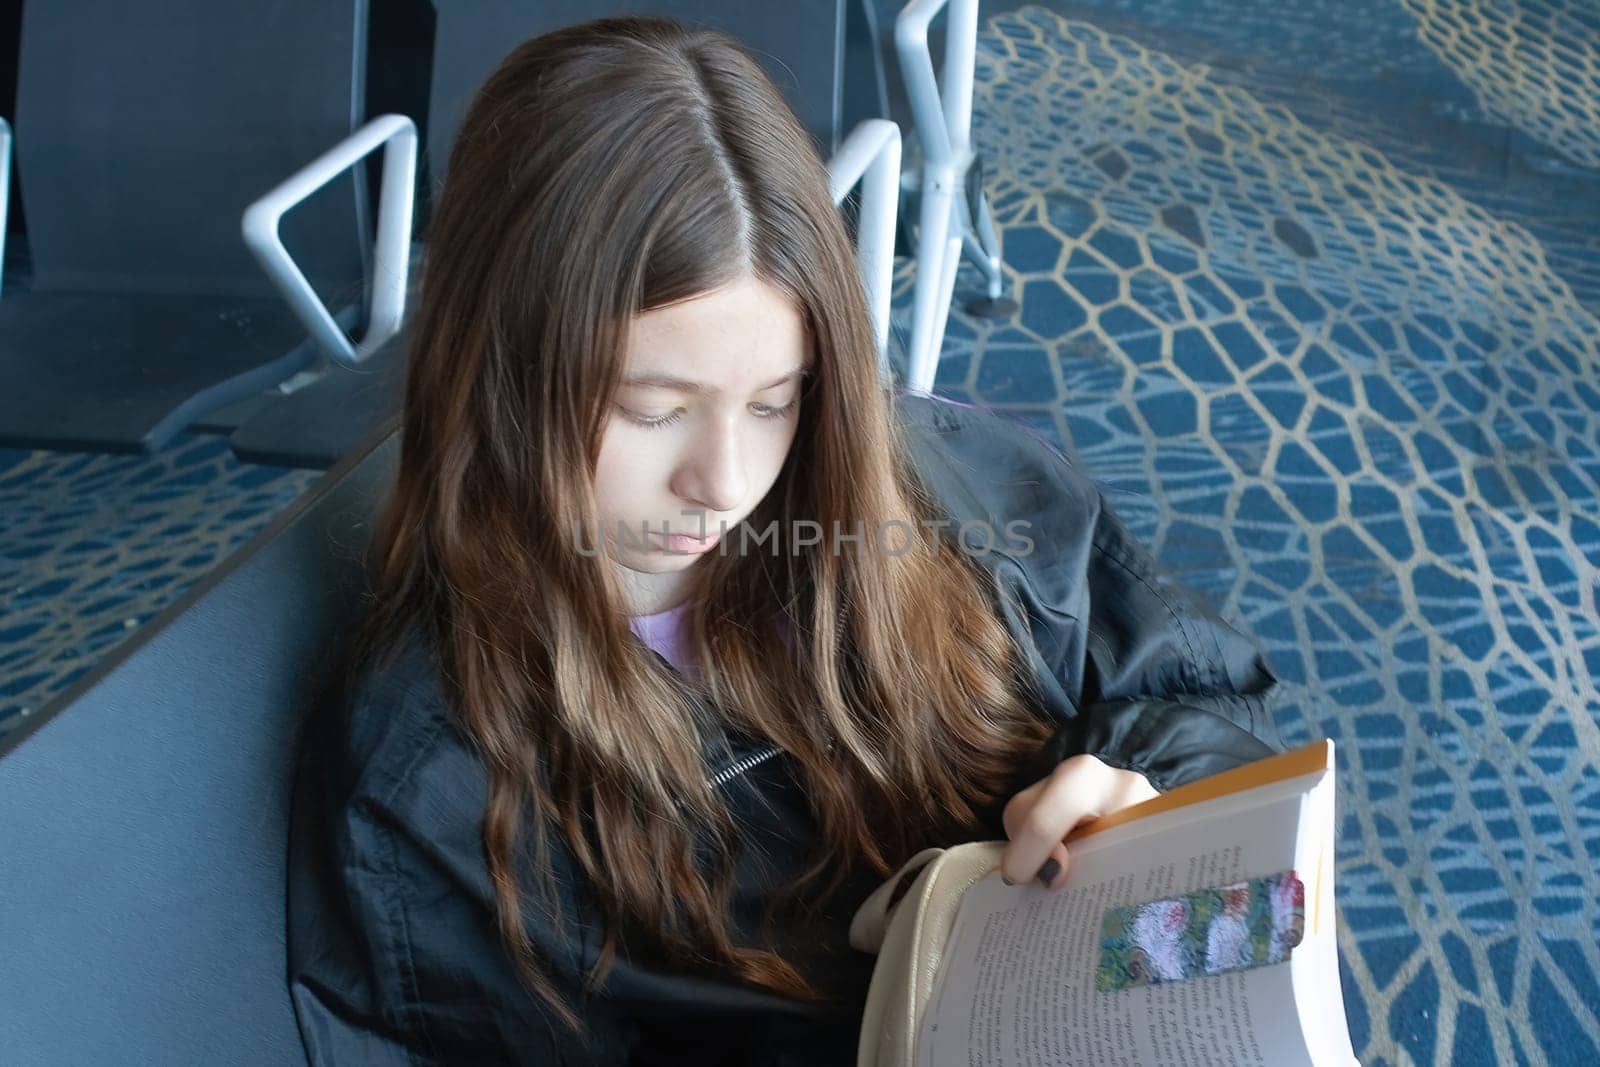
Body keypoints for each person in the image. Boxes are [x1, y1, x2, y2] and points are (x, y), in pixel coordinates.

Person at [286, 16, 1286, 1066]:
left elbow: (1201, 686)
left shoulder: (964, 488)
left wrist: (1151, 790)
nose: (723, 482)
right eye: (652, 407)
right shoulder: (431, 796)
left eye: (776, 400)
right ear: (499, 383)